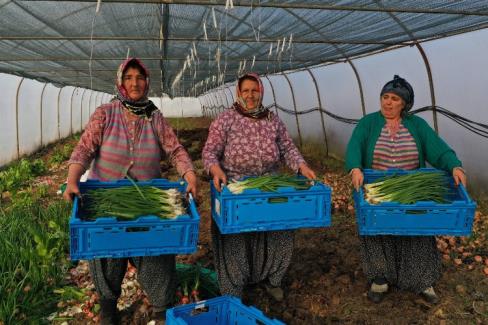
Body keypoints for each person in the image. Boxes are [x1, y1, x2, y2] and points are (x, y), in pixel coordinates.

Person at [63, 57, 198, 324]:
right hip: (107, 197)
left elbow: (175, 149)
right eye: (129, 77)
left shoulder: (154, 116)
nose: (134, 83)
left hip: (149, 198)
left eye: (139, 77)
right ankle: (109, 307)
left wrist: (190, 175)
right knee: (108, 252)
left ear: (146, 81)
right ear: (120, 82)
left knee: (156, 249)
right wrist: (72, 179)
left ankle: (161, 307)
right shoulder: (106, 113)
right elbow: (84, 148)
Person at [345, 75, 466, 304]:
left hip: (412, 191)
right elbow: (355, 146)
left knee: (416, 231)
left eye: (394, 99)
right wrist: (355, 168)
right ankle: (380, 279)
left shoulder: (416, 124)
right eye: (385, 97)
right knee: (378, 232)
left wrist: (454, 165)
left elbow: (438, 149)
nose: (388, 103)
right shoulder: (368, 123)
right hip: (377, 190)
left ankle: (422, 280)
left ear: (405, 104)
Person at [202, 73, 317, 301]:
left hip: (269, 186)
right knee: (237, 238)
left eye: (254, 90)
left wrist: (301, 166)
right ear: (238, 93)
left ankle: (272, 278)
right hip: (237, 188)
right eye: (245, 91)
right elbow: (209, 152)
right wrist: (215, 169)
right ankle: (235, 286)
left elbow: (287, 147)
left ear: (261, 92)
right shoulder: (226, 119)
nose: (250, 95)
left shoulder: (272, 119)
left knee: (278, 231)